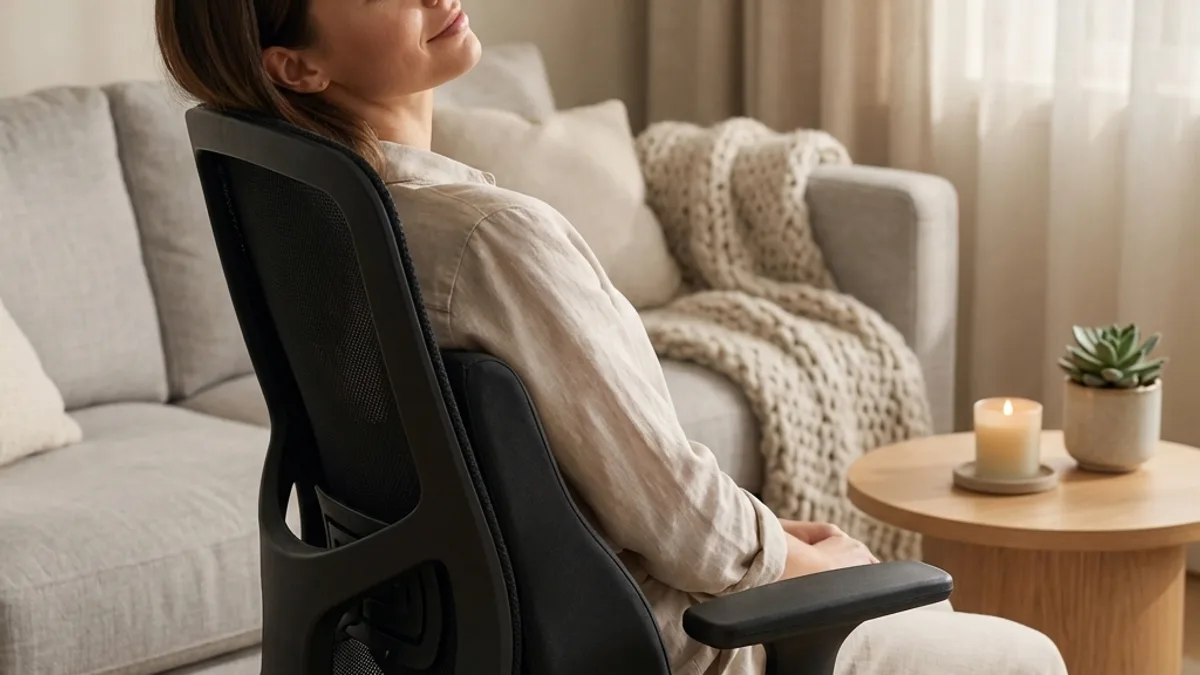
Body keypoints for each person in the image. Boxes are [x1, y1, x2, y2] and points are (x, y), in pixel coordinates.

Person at [155, 1, 1068, 673]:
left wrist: (762, 536)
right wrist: (807, 557)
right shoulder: (488, 237)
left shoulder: (316, 219)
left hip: (447, 630)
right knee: (1019, 653)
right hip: (664, 641)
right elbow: (682, 526)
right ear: (296, 67)